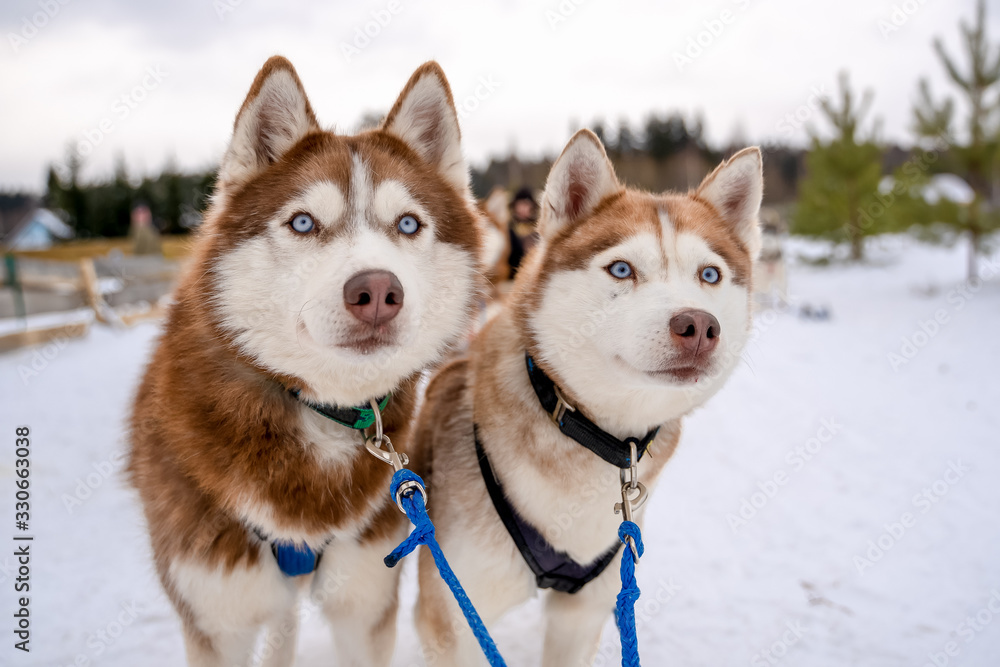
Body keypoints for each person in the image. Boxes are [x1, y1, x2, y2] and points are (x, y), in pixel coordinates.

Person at [506, 186, 538, 277]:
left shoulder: (538, 230)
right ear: (514, 206)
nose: (523, 208)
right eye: (520, 204)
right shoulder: (509, 231)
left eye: (526, 204)